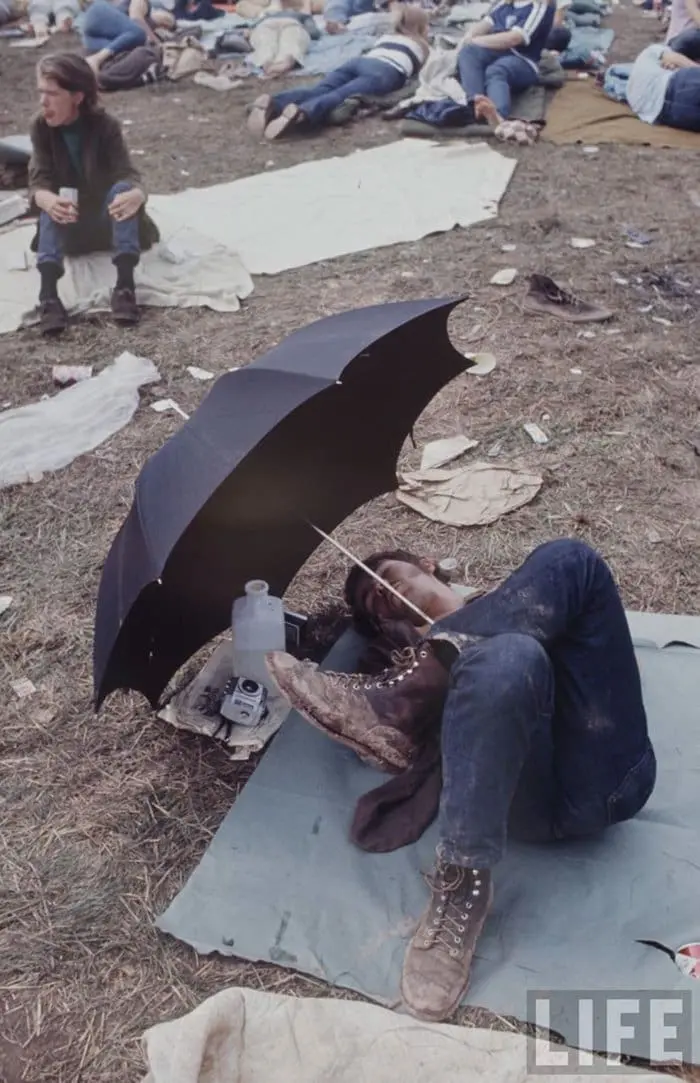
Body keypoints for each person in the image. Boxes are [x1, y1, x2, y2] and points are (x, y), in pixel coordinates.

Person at [265, 538, 656, 1022]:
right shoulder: (394, 652)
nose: (385, 593)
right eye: (375, 603)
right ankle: (463, 885)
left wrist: (462, 634)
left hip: (606, 766)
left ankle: (419, 684)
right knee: (506, 658)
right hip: (523, 793)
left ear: (427, 565)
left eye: (390, 577)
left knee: (572, 560)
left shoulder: (538, 593)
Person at [28, 52, 159, 334]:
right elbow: (38, 180)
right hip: (69, 226)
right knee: (50, 202)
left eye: (52, 93)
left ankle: (125, 287)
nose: (43, 102)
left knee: (124, 190)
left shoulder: (105, 126)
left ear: (77, 96)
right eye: (41, 93)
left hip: (105, 223)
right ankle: (48, 296)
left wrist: (138, 194)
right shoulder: (41, 127)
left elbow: (128, 173)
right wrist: (46, 198)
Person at [247, 3, 430, 138]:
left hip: (359, 62)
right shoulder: (423, 46)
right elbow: (426, 72)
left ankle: (274, 102)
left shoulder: (387, 36)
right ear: (422, 27)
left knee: (319, 89)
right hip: (385, 70)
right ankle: (303, 113)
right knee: (340, 95)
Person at [455, 0, 555, 126]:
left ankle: (497, 114)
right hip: (498, 51)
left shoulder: (539, 6)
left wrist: (476, 40)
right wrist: (468, 38)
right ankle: (475, 103)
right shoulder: (504, 4)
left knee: (497, 70)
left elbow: (515, 38)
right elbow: (485, 24)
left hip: (523, 60)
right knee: (468, 52)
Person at [80, 0, 173, 74]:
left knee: (140, 54)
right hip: (98, 11)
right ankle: (96, 59)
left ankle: (97, 60)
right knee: (140, 39)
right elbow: (138, 30)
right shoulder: (141, 6)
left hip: (101, 47)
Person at [626, 42, 700, 131]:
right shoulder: (653, 50)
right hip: (675, 86)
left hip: (667, 114)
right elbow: (678, 59)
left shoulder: (634, 86)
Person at [247, 0, 320, 77]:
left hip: (268, 24)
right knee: (292, 39)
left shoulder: (269, 15)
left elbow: (252, 29)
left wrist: (250, 32)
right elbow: (314, 32)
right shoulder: (303, 15)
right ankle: (285, 61)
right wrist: (304, 29)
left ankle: (267, 62)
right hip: (291, 24)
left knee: (265, 40)